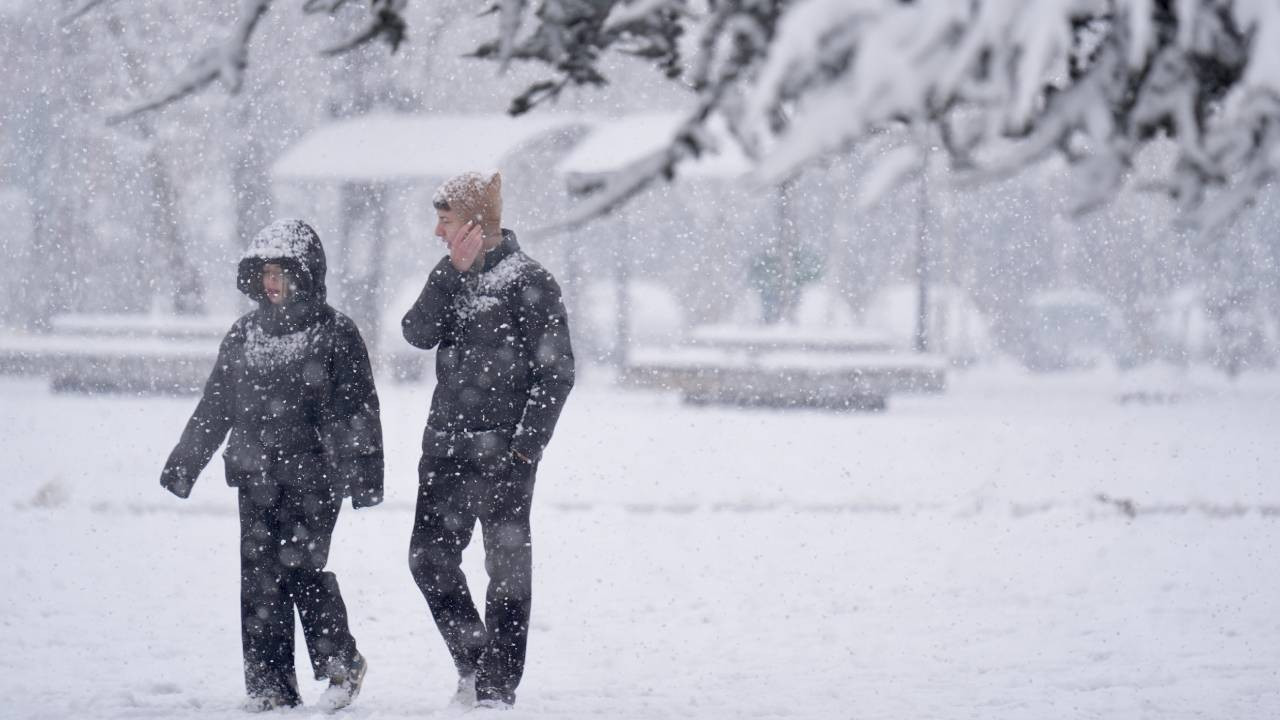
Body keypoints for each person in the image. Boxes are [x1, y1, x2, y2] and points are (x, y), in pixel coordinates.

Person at [159, 219, 383, 712]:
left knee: (301, 570)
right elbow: (216, 404)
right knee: (260, 581)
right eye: (265, 273)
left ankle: (342, 663)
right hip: (254, 474)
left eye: (282, 272)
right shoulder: (245, 334)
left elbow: (359, 408)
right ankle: (269, 687)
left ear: (306, 273)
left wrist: (366, 474)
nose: (272, 282)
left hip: (315, 478)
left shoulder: (336, 332)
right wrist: (185, 462)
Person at [403, 171, 575, 710]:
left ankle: (497, 689)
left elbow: (557, 374)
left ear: (476, 224)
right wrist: (449, 275)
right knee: (427, 559)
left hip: (505, 457)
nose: (437, 231)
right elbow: (416, 332)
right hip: (445, 451)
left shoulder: (531, 282)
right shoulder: (450, 277)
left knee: (507, 575)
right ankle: (475, 664)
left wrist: (524, 448)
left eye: (445, 221)